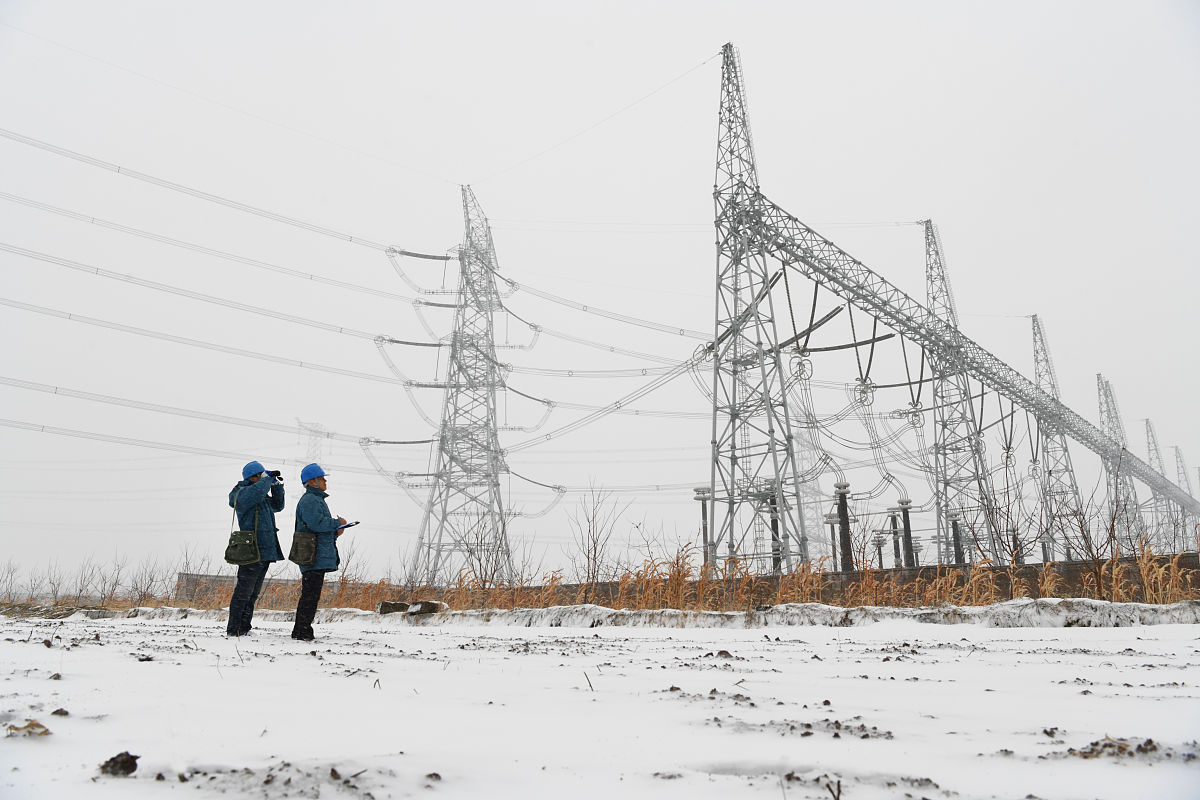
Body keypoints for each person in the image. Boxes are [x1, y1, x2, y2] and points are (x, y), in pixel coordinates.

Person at [291, 462, 349, 641]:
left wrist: (336, 532)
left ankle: (301, 630)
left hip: (315, 554)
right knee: (310, 595)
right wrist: (337, 523)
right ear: (312, 481)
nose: (325, 481)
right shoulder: (310, 500)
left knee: (311, 595)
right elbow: (317, 523)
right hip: (312, 555)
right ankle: (302, 631)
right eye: (322, 478)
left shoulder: (315, 499)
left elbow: (316, 527)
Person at [226, 460, 285, 637]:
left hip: (265, 550)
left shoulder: (260, 495)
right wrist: (267, 479)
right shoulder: (241, 492)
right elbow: (256, 493)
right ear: (252, 477)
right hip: (250, 550)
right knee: (243, 592)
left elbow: (278, 505)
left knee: (252, 593)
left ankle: (244, 628)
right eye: (260, 475)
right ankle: (234, 629)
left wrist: (276, 486)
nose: (262, 478)